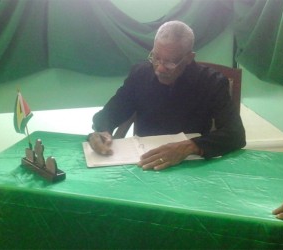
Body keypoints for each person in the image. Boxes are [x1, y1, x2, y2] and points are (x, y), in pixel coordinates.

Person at [88, 20, 246, 170]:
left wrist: (189, 146)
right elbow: (110, 113)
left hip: (190, 164)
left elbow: (235, 134)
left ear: (189, 58)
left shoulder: (212, 82)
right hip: (144, 161)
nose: (160, 69)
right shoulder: (140, 74)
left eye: (171, 62)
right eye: (156, 58)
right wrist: (102, 130)